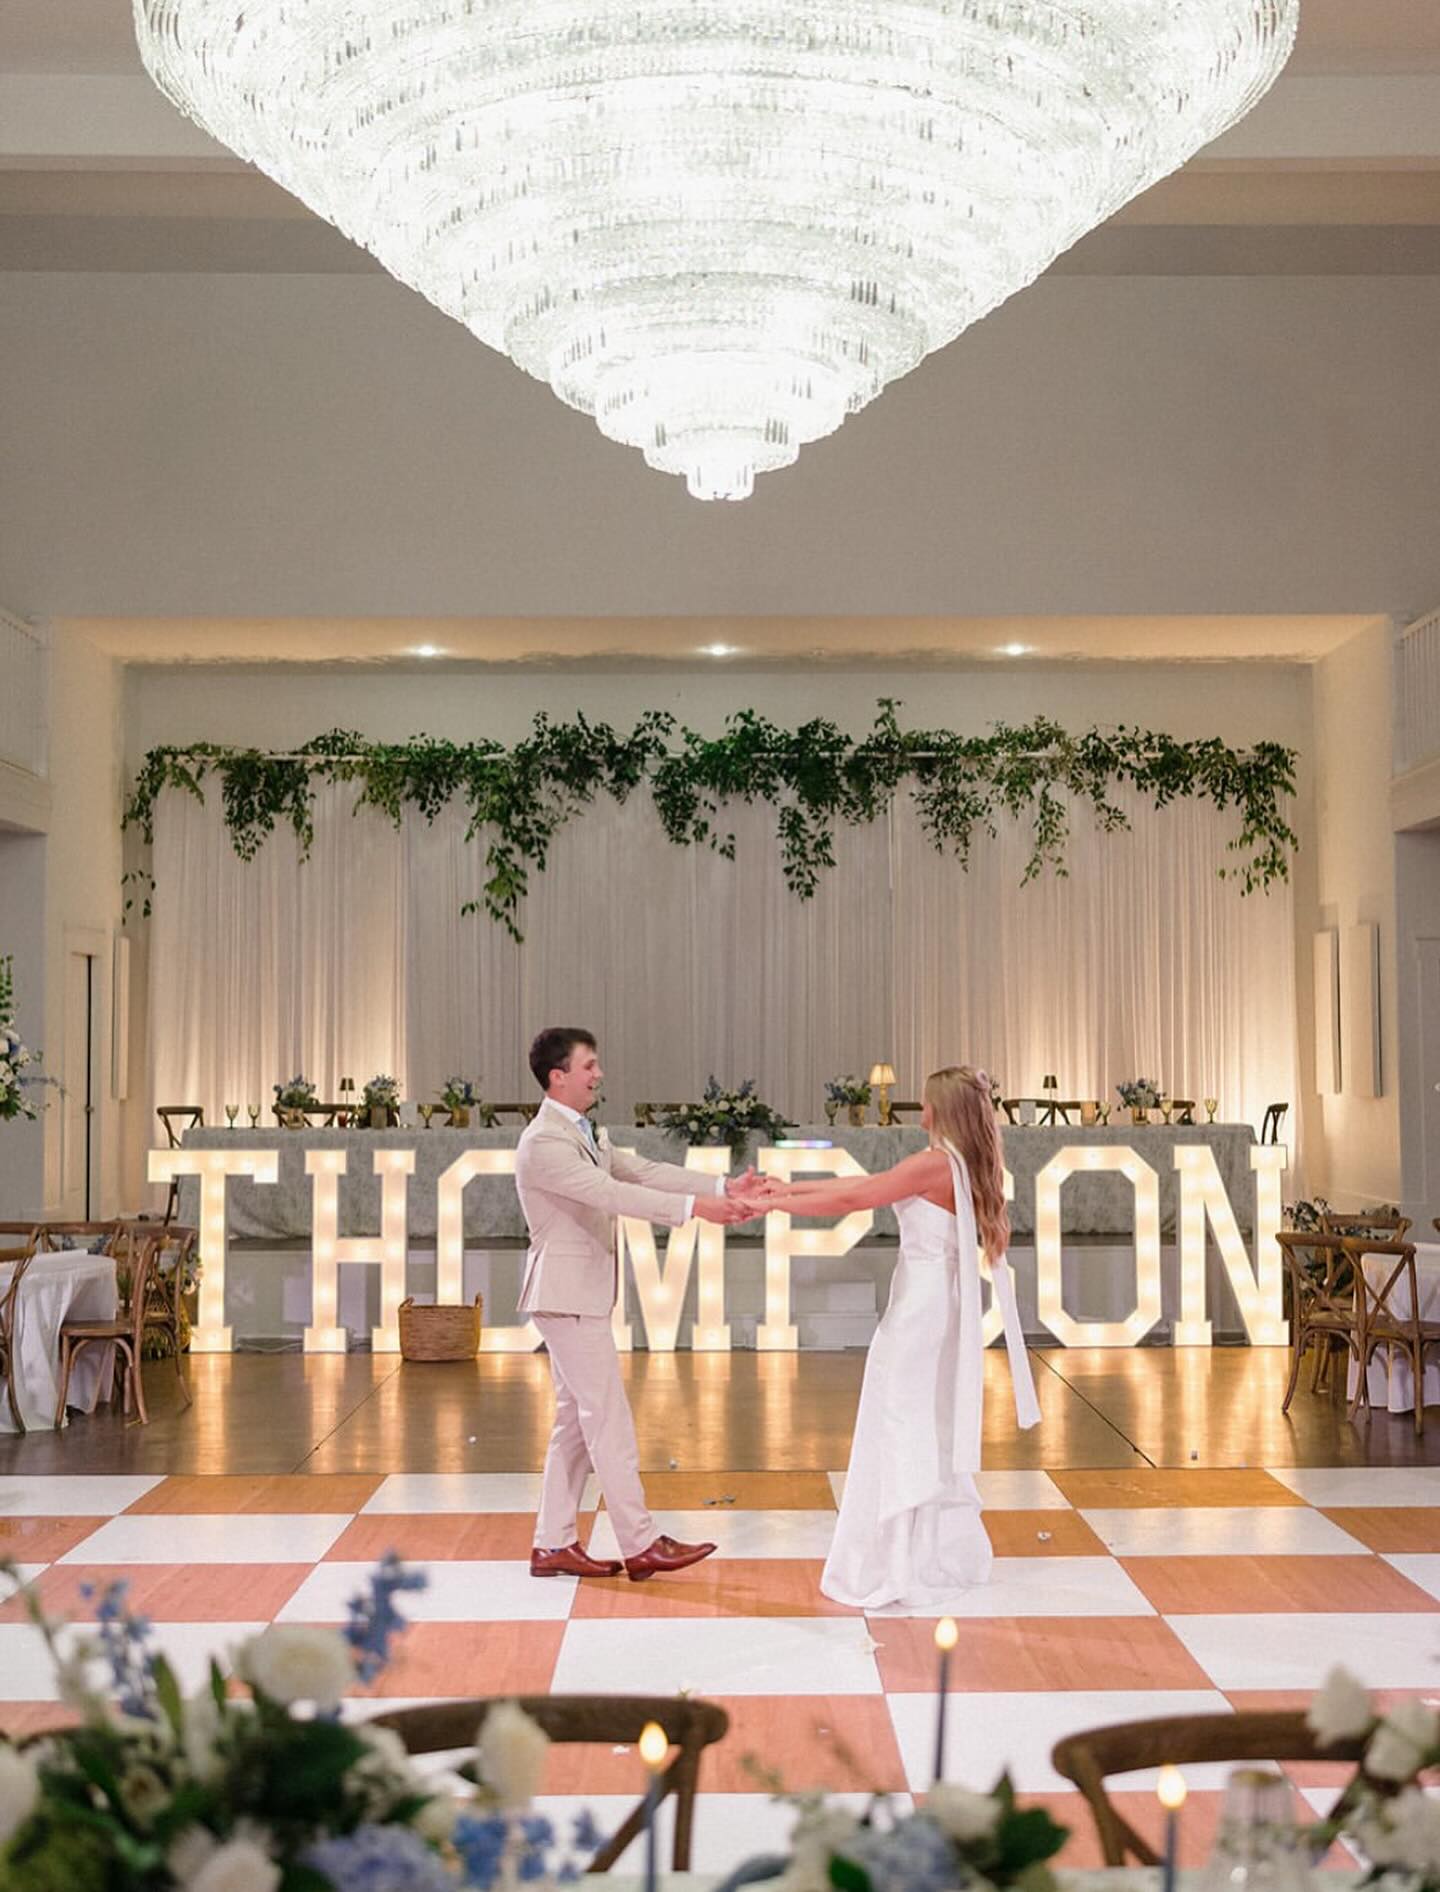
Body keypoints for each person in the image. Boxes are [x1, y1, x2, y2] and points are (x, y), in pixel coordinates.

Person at [750, 1064, 1040, 1609]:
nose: (921, 1112)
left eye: (926, 1104)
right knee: (922, 1420)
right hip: (942, 1305)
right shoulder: (963, 1165)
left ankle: (899, 1561)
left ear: (940, 1113)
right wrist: (788, 1188)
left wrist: (776, 1202)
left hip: (917, 1312)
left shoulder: (933, 1165)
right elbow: (859, 1186)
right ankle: (918, 1548)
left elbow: (855, 1200)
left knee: (900, 1419)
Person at [516, 1026, 755, 1581]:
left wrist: (722, 1187)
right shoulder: (545, 1142)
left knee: (576, 1421)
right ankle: (641, 1542)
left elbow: (640, 1171)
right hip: (567, 1293)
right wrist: (696, 1209)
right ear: (559, 1076)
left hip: (574, 1293)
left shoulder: (581, 1131)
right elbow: (612, 1195)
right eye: (589, 1066)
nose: (599, 1074)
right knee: (607, 1418)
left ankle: (553, 1544)